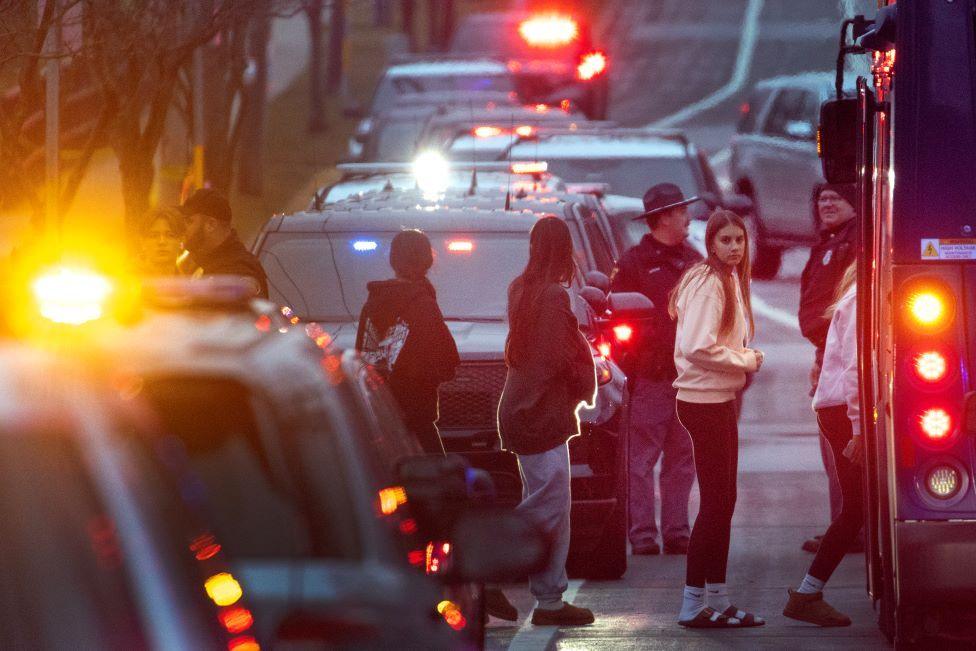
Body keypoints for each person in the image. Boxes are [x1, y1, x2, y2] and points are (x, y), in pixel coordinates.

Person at [496, 216, 596, 627]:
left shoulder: (522, 288)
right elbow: (557, 357)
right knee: (550, 504)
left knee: (554, 503)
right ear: (563, 249)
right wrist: (583, 375)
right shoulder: (554, 295)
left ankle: (551, 598)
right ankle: (483, 565)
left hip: (524, 409)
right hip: (540, 413)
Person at [669, 209, 765, 628]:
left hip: (716, 399)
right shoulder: (709, 282)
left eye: (739, 240)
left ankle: (718, 599)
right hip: (703, 401)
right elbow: (696, 346)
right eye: (724, 240)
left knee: (724, 501)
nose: (733, 247)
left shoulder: (724, 279)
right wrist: (745, 360)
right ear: (710, 244)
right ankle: (693, 603)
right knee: (715, 504)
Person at [610, 183, 702, 556]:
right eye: (681, 212)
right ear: (662, 218)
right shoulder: (632, 263)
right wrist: (630, 366)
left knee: (682, 460)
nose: (687, 218)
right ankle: (643, 534)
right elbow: (615, 320)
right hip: (649, 379)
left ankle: (677, 531)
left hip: (688, 379)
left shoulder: (695, 262)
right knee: (641, 461)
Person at [784, 264, 860, 627]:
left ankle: (808, 592)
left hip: (840, 410)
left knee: (859, 506)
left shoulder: (854, 295)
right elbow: (855, 370)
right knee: (857, 507)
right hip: (844, 411)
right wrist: (859, 429)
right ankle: (807, 593)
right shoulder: (861, 299)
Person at [356, 229, 460, 454]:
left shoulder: (372, 304)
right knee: (435, 483)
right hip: (417, 421)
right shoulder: (423, 304)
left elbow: (363, 357)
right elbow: (446, 362)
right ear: (427, 261)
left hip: (379, 418)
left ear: (393, 260)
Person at [798, 183, 858, 553]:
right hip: (827, 348)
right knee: (832, 444)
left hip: (841, 350)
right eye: (821, 198)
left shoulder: (854, 242)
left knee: (839, 440)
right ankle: (844, 522)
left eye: (835, 198)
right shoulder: (830, 240)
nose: (826, 204)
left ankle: (848, 526)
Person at [180, 188, 269, 298]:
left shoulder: (238, 274)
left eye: (189, 221)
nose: (183, 228)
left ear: (211, 225)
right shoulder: (203, 266)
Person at [136, 207, 186, 276]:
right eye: (154, 236)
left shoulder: (190, 283)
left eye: (170, 235)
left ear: (181, 240)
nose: (162, 242)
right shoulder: (126, 282)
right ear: (142, 242)